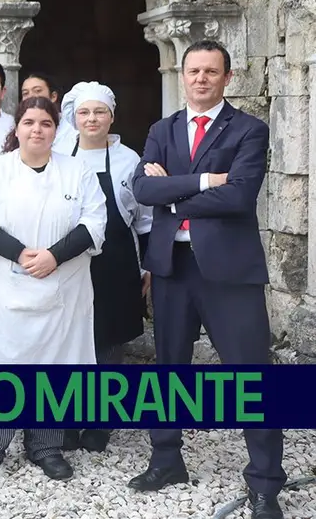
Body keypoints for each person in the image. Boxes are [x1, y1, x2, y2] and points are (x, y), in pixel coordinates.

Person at [128, 41, 285, 519]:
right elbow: (142, 188)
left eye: (210, 72)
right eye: (193, 70)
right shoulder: (163, 128)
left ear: (227, 78)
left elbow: (239, 197)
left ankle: (264, 485)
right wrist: (202, 182)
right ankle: (167, 460)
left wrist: (172, 195)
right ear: (182, 73)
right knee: (169, 369)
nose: (200, 79)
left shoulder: (249, 130)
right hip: (172, 269)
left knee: (252, 375)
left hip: (230, 273)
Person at [0, 96, 106, 481]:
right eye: (29, 122)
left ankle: (46, 445)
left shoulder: (77, 171)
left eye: (45, 123)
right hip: (3, 288)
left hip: (61, 287)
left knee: (53, 365)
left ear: (56, 129)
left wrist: (54, 257)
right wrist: (21, 253)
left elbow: (94, 222)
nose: (37, 129)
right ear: (17, 128)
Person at [59, 82, 152, 453]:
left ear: (111, 116)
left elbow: (144, 220)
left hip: (115, 263)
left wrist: (148, 266)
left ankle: (100, 421)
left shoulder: (130, 160)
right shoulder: (60, 155)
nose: (92, 119)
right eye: (84, 112)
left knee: (108, 341)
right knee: (67, 339)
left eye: (99, 112)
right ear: (74, 117)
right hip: (69, 260)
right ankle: (67, 419)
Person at [20, 72, 77, 150]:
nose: (31, 96)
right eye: (25, 93)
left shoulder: (72, 127)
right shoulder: (20, 126)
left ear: (53, 96)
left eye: (37, 91)